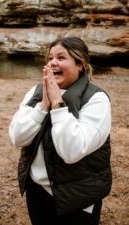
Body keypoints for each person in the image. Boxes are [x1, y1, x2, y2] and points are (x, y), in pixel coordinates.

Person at [9, 37, 112, 225]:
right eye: (50, 58)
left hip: (78, 198)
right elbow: (17, 137)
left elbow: (72, 151)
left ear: (80, 64)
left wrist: (57, 104)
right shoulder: (36, 91)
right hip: (37, 192)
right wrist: (42, 107)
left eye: (61, 57)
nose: (53, 62)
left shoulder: (97, 99)